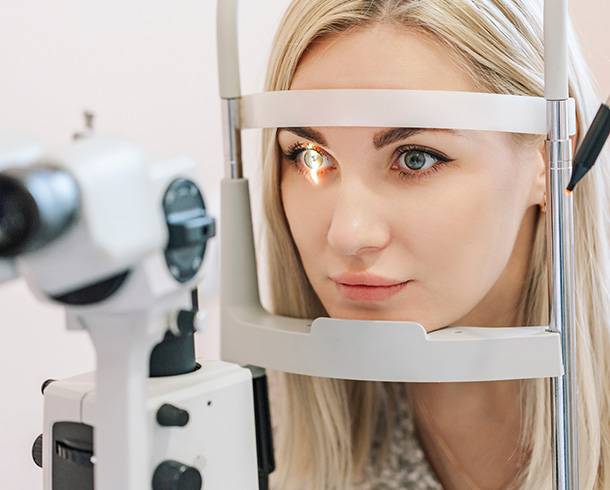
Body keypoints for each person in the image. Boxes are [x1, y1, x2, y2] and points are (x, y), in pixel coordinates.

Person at [258, 1, 610, 488]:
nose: (348, 233)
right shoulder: (260, 429)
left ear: (555, 161)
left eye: (416, 158)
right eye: (311, 156)